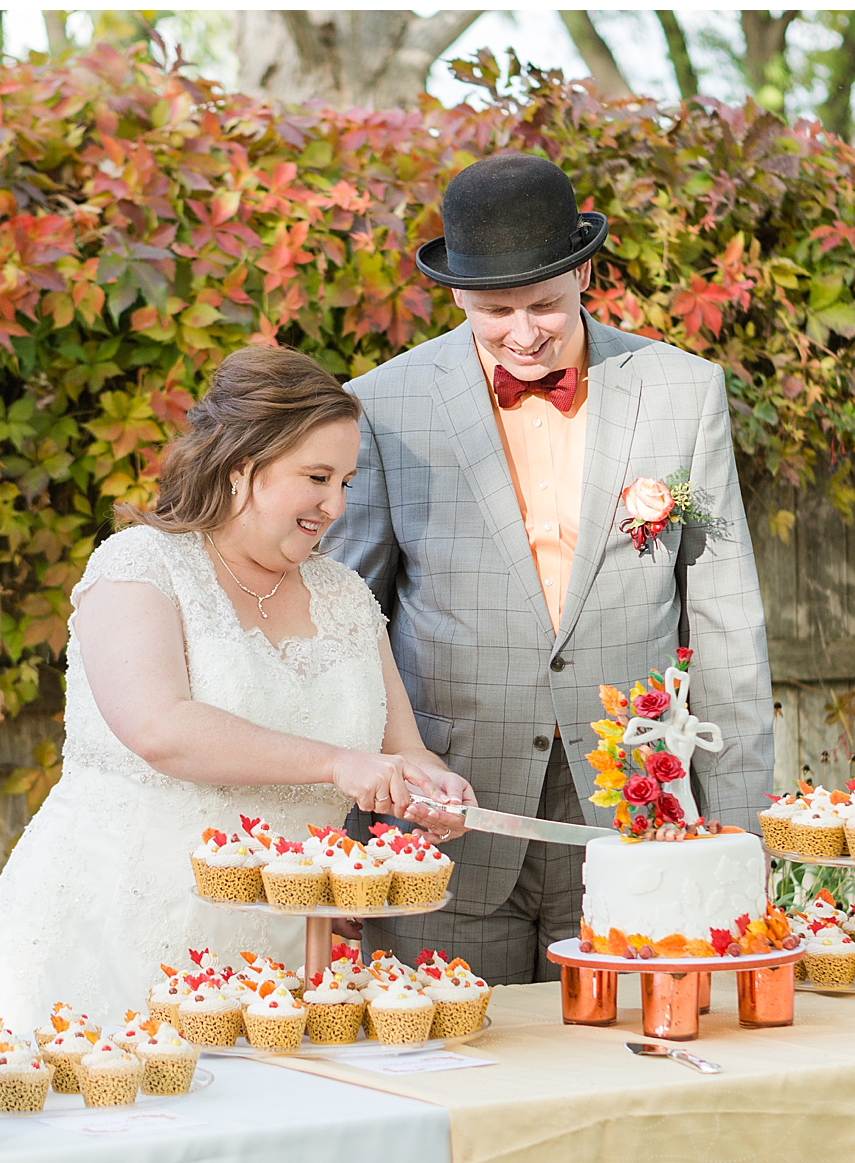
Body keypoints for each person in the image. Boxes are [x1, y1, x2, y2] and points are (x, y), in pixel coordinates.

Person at [326, 152, 775, 985]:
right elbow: (348, 626)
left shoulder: (683, 391)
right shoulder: (382, 406)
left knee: (633, 1069)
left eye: (546, 306)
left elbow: (726, 628)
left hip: (637, 813)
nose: (525, 333)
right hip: (445, 821)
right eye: (497, 311)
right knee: (458, 1079)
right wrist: (338, 840)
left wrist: (743, 834)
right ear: (457, 293)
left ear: (585, 275)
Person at [0, 347, 475, 1032]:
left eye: (346, 480)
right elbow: (159, 728)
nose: (336, 505)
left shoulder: (344, 594)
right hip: (121, 930)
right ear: (242, 466)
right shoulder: (140, 565)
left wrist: (433, 787)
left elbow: (402, 749)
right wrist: (339, 764)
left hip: (282, 961)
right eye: (316, 477)